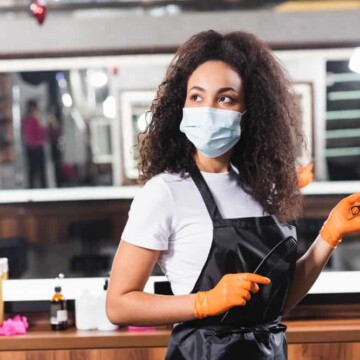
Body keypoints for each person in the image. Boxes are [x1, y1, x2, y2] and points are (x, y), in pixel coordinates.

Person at [106, 30, 360, 359]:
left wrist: (329, 235)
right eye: (196, 97)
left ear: (248, 111)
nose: (208, 108)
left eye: (225, 98)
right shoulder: (164, 193)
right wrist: (205, 301)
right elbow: (119, 304)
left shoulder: (259, 191)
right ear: (180, 106)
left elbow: (278, 301)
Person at [22, 99, 47, 188]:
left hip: (33, 146)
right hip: (35, 147)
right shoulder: (32, 119)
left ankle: (35, 187)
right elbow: (41, 132)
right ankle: (39, 187)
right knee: (37, 170)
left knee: (35, 170)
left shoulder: (29, 119)